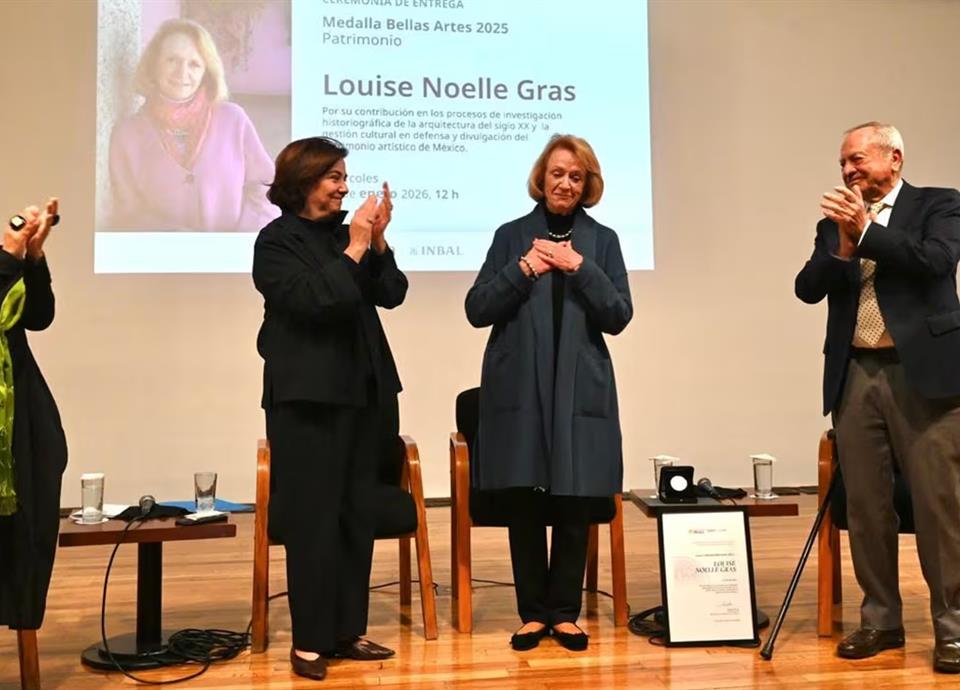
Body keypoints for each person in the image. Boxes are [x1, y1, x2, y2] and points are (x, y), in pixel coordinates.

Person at [795, 122, 960, 674]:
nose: (847, 170)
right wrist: (843, 248)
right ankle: (882, 621)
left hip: (925, 376)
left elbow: (935, 261)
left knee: (939, 506)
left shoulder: (939, 204)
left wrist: (866, 232)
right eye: (843, 163)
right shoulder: (833, 224)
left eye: (857, 159)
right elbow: (807, 288)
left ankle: (953, 628)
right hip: (856, 373)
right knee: (866, 507)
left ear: (894, 158)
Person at [465, 134, 632, 652]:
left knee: (575, 497)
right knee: (525, 500)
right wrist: (525, 269)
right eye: (557, 173)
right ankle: (532, 614)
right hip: (520, 385)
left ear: (588, 185)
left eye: (576, 176)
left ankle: (564, 613)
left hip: (580, 388)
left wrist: (579, 268)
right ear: (542, 178)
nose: (565, 183)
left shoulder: (602, 241)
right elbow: (477, 308)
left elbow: (619, 315)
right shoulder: (510, 236)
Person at [252, 137, 405, 681]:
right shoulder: (276, 242)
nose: (344, 187)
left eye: (344, 177)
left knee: (355, 515)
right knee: (313, 521)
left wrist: (377, 243)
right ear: (304, 182)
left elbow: (392, 293)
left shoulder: (350, 236)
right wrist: (356, 247)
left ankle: (346, 631)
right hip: (308, 402)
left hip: (365, 395)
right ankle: (310, 641)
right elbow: (314, 300)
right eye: (334, 177)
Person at [108, 18, 277, 231]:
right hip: (160, 252)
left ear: (206, 72)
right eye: (172, 60)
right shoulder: (126, 135)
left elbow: (267, 189)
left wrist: (242, 240)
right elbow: (127, 212)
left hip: (235, 252)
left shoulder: (233, 119)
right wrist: (175, 239)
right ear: (153, 65)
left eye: (194, 64)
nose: (182, 72)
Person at [0, 199, 68, 634]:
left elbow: (39, 317)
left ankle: (21, 613)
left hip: (20, 413)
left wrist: (33, 258)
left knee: (28, 523)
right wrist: (10, 254)